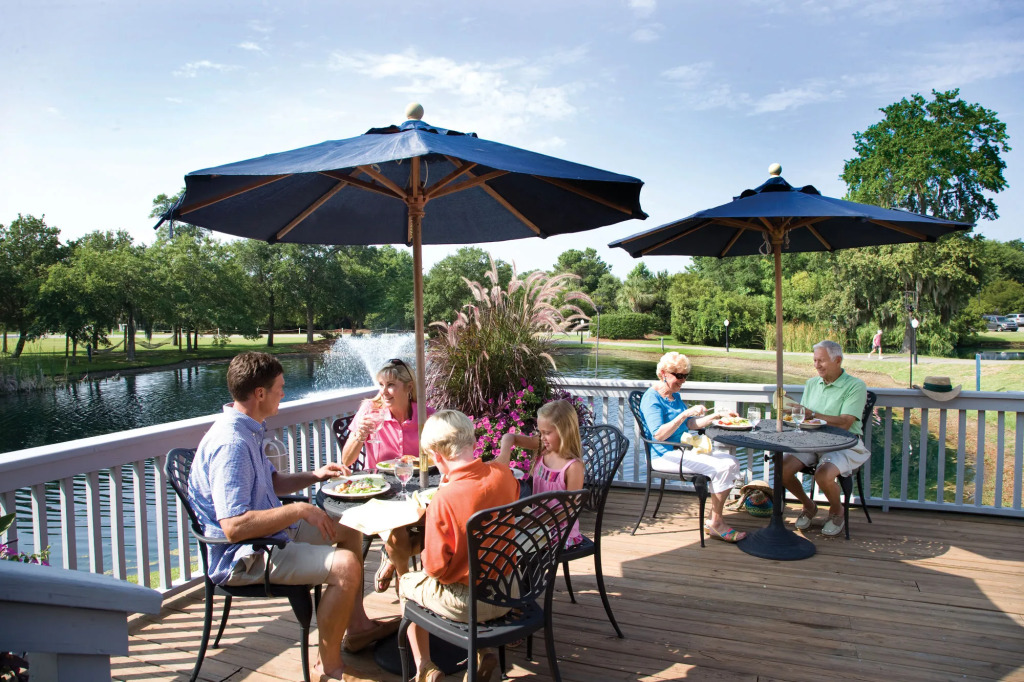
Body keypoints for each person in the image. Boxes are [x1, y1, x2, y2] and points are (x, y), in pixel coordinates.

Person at [187, 352, 399, 682]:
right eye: (280, 388)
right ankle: (327, 669)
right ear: (260, 394)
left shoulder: (247, 428)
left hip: (272, 534)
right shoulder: (231, 444)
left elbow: (271, 482)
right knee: (345, 565)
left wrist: (315, 475)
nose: (284, 394)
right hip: (246, 555)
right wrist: (299, 509)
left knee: (349, 528)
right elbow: (233, 527)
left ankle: (357, 627)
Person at [398, 410, 519, 682]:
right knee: (476, 568)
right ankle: (482, 652)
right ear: (473, 442)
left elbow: (435, 569)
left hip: (468, 604)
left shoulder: (444, 499)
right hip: (509, 591)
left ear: (437, 456)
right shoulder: (503, 474)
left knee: (406, 582)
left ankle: (425, 668)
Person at [342, 358, 435, 594]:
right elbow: (347, 461)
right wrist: (360, 435)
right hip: (380, 490)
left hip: (417, 489)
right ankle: (406, 587)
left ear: (409, 387)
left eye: (391, 385)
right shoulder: (370, 411)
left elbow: (437, 457)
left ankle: (392, 559)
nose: (384, 391)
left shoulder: (427, 415)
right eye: (381, 385)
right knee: (398, 529)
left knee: (429, 524)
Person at [640, 352, 746, 543]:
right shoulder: (651, 398)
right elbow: (659, 435)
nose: (683, 380)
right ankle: (717, 523)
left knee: (732, 461)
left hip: (682, 451)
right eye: (679, 376)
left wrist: (717, 416)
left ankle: (713, 519)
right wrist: (685, 413)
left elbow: (690, 424)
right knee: (721, 468)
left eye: (685, 376)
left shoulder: (674, 396)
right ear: (663, 373)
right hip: (664, 455)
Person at [780, 340, 870, 538]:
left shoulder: (855, 386)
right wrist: (793, 410)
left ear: (837, 360)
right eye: (814, 360)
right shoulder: (812, 384)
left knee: (823, 475)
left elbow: (845, 423)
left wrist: (811, 413)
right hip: (812, 441)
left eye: (821, 360)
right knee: (782, 469)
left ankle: (837, 511)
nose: (816, 365)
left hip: (844, 443)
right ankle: (809, 505)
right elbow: (805, 417)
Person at [498, 399, 585, 547]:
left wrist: (530, 522)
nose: (542, 437)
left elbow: (569, 510)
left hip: (560, 533)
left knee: (509, 546)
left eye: (547, 433)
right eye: (540, 432)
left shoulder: (573, 467)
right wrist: (503, 456)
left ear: (565, 432)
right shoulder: (543, 446)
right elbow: (510, 437)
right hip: (537, 524)